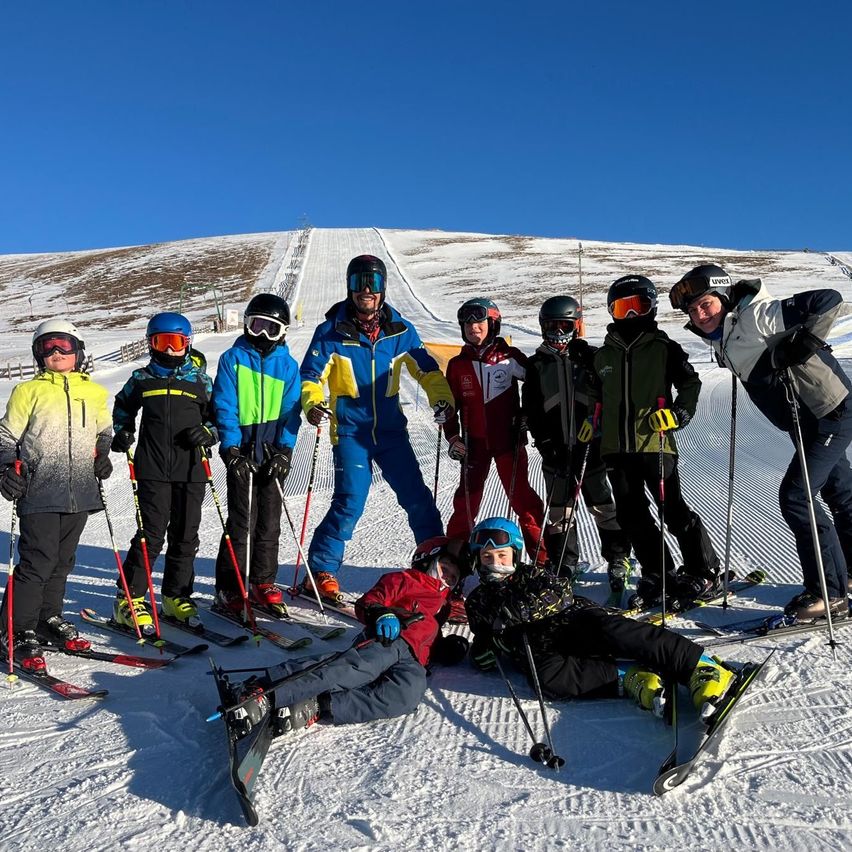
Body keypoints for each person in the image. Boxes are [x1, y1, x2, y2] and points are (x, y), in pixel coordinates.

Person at [670, 264, 852, 620]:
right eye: (693, 310)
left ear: (723, 297)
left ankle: (829, 593)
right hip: (808, 421)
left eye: (706, 304)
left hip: (828, 411)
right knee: (839, 491)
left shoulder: (756, 315)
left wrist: (802, 345)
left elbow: (828, 300)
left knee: (797, 496)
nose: (700, 314)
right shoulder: (725, 335)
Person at [464, 517, 735, 716]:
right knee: (545, 680)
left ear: (516, 555)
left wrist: (519, 611)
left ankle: (701, 666)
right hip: (541, 649)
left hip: (575, 621)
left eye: (502, 555)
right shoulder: (478, 600)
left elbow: (560, 593)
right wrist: (484, 649)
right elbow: (484, 631)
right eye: (487, 557)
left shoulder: (532, 575)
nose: (496, 563)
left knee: (615, 632)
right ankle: (628, 677)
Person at [300, 254, 454, 602]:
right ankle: (321, 570)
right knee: (350, 501)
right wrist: (312, 403)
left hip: (390, 434)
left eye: (374, 283)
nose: (366, 291)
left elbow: (427, 371)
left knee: (418, 498)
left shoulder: (400, 332)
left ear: (383, 289)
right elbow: (310, 376)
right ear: (349, 287)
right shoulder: (330, 333)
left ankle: (436, 567)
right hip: (351, 434)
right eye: (359, 283)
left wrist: (441, 400)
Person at [221, 536, 469, 738]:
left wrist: (446, 648)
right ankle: (264, 691)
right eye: (444, 569)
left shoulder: (443, 605)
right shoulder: (403, 579)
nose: (447, 579)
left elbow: (430, 637)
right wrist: (381, 613)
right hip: (388, 640)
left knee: (406, 696)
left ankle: (319, 705)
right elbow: (368, 602)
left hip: (415, 661)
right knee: (354, 670)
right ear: (426, 560)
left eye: (453, 578)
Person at [586, 275, 721, 608]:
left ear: (651, 308)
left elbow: (690, 385)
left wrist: (678, 415)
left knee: (672, 510)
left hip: (655, 444)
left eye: (639, 307)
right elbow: (594, 394)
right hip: (616, 449)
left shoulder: (664, 349)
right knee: (632, 516)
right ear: (612, 312)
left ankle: (704, 570)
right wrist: (594, 420)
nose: (631, 316)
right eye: (623, 308)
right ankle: (658, 573)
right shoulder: (603, 356)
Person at [0, 320, 112, 671]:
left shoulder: (94, 393)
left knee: (64, 560)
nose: (56, 353)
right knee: (37, 561)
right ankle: (14, 630)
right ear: (38, 355)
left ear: (77, 350)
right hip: (40, 488)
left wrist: (103, 453)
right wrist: (5, 469)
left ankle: (48, 618)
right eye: (47, 347)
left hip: (79, 490)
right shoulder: (27, 392)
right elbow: (5, 436)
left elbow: (103, 431)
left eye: (62, 345)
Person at [110, 313, 216, 630]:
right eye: (162, 342)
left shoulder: (200, 380)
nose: (170, 350)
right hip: (152, 468)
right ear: (151, 343)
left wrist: (208, 432)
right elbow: (122, 407)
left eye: (176, 343)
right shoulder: (142, 379)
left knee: (186, 535)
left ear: (188, 343)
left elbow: (218, 416)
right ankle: (129, 600)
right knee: (151, 535)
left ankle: (175, 597)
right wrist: (123, 431)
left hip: (191, 468)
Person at [523, 295, 632, 587]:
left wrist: (601, 435)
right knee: (559, 511)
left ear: (577, 326)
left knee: (603, 505)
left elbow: (610, 395)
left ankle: (618, 556)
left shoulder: (590, 357)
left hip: (591, 447)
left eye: (564, 326)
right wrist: (545, 443)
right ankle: (564, 561)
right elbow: (532, 408)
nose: (558, 333)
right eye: (551, 326)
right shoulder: (536, 365)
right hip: (556, 449)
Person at [211, 293, 302, 613]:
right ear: (247, 324)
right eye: (256, 325)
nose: (262, 334)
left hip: (272, 452)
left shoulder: (288, 366)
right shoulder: (232, 358)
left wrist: (285, 451)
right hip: (244, 451)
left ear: (283, 332)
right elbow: (225, 405)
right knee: (241, 522)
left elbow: (292, 412)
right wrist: (231, 448)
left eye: (271, 328)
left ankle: (263, 580)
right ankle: (230, 586)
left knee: (269, 521)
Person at [443, 297, 547, 563]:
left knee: (522, 499)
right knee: (466, 502)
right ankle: (454, 562)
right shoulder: (457, 365)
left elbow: (539, 385)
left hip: (507, 442)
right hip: (473, 445)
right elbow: (449, 406)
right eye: (466, 324)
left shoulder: (509, 357)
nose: (472, 328)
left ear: (493, 323)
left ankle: (543, 559)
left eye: (479, 322)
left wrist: (527, 414)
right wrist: (453, 437)